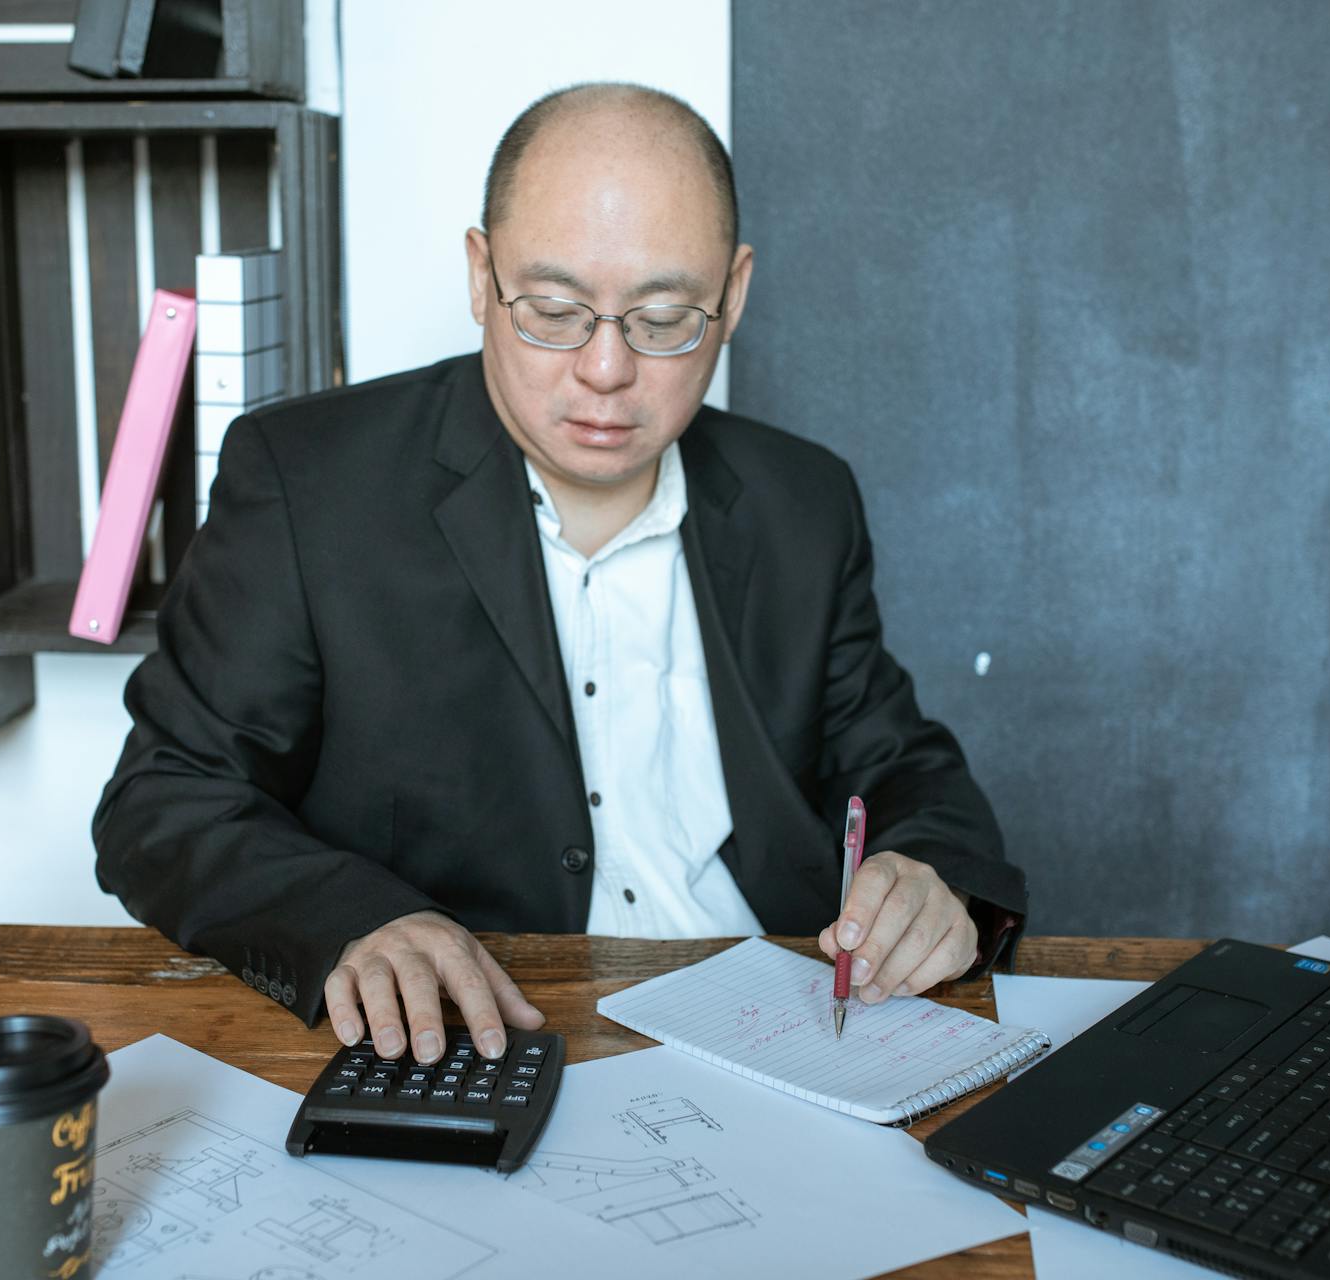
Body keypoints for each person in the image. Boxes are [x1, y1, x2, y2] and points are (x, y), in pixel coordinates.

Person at [93, 82, 1026, 1068]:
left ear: (735, 293)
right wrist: (348, 921)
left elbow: (901, 769)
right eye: (553, 310)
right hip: (478, 1036)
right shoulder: (307, 482)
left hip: (786, 1031)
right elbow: (163, 798)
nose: (607, 369)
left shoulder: (803, 499)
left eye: (665, 317)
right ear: (479, 272)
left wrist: (933, 874)